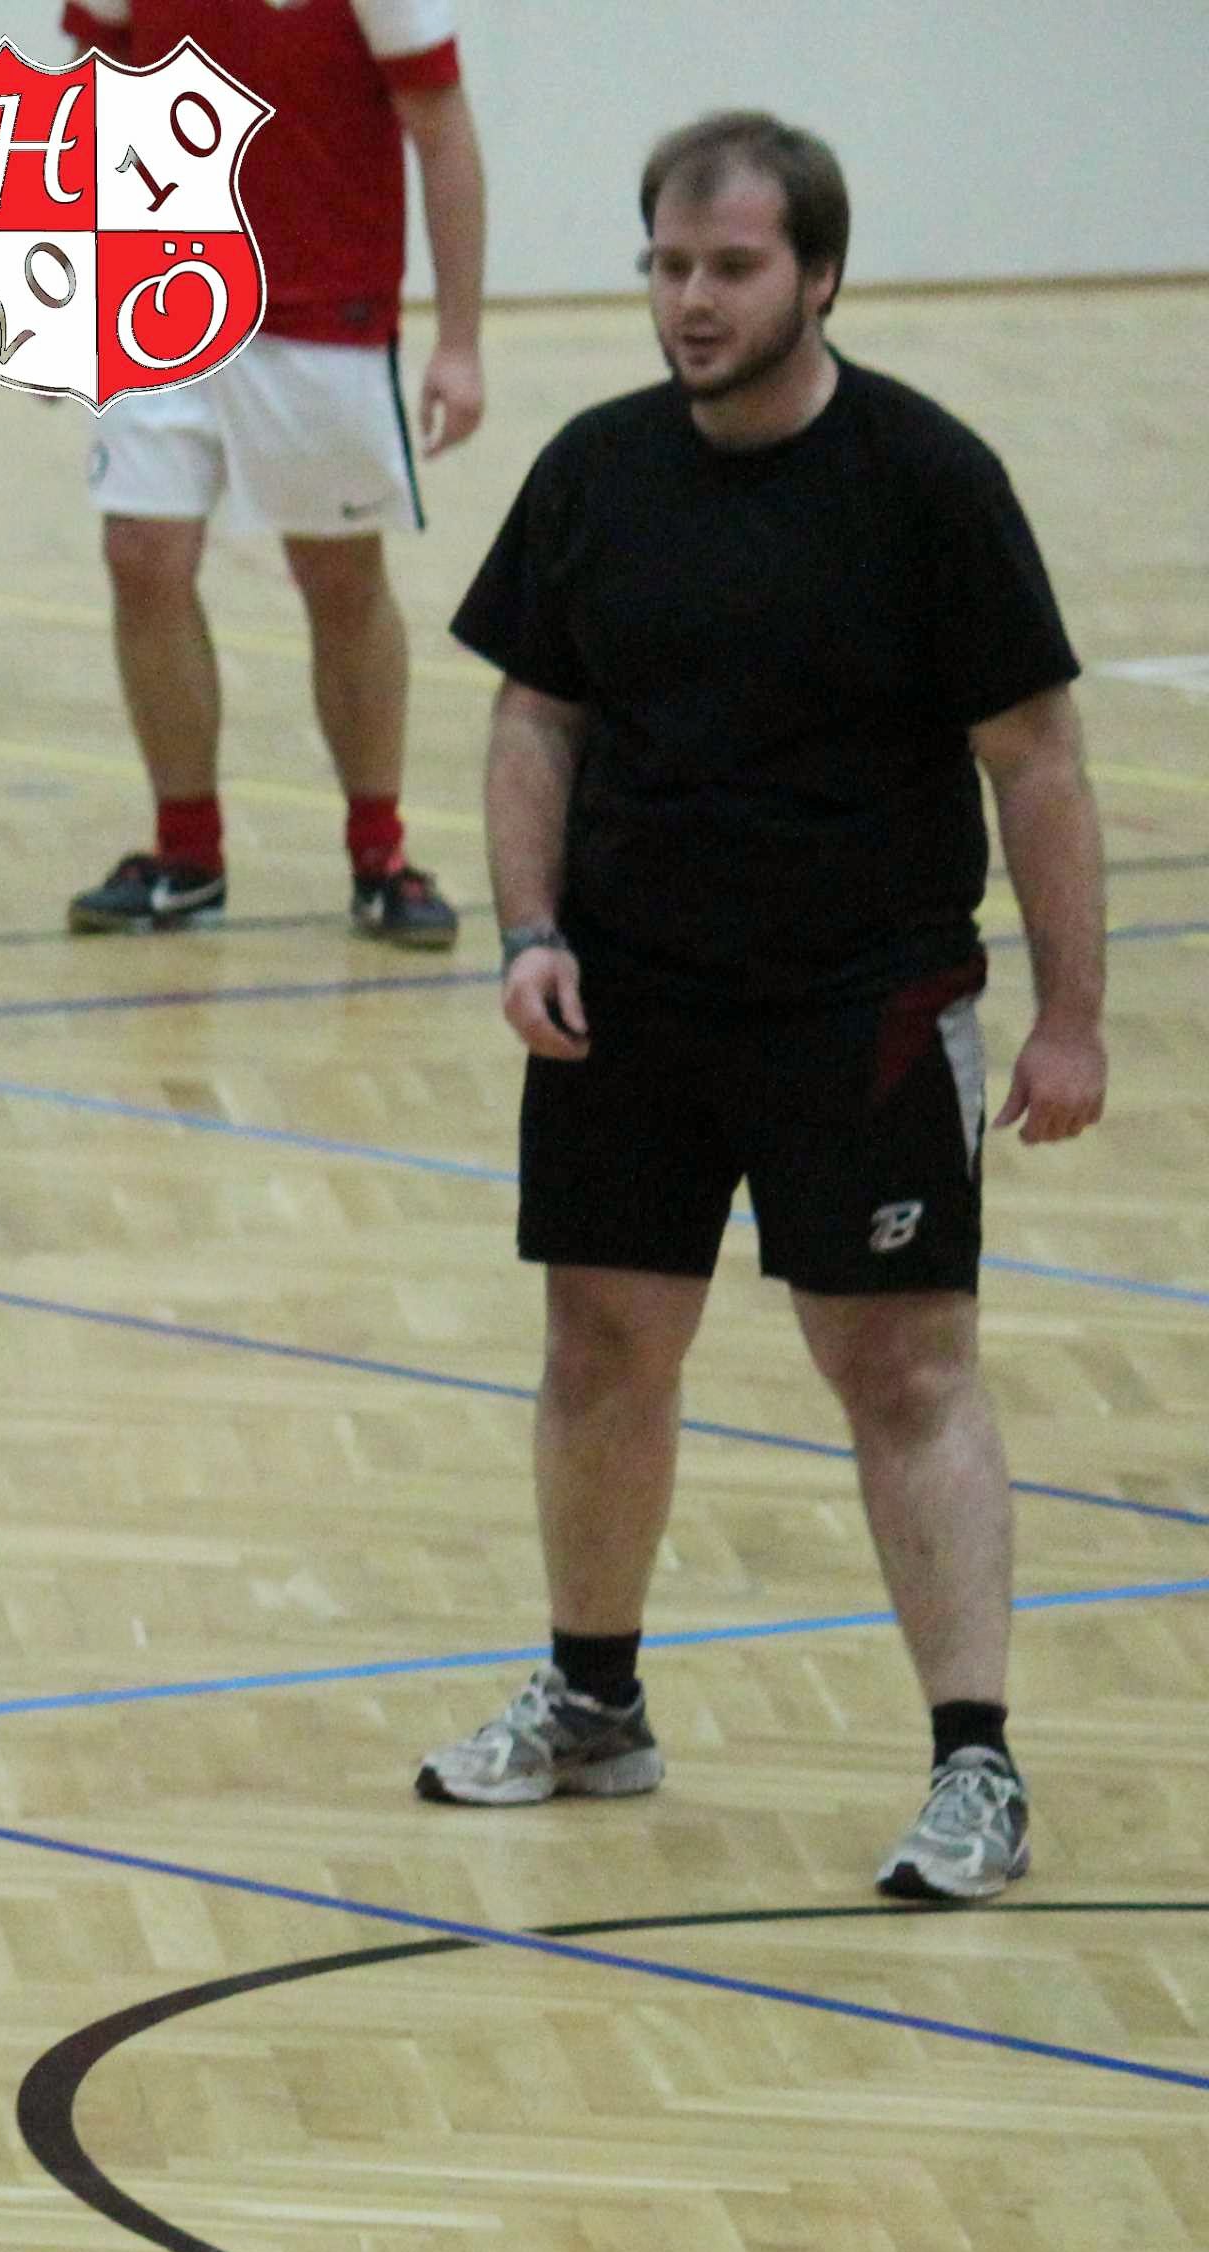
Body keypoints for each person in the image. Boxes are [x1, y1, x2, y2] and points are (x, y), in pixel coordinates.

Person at [416, 112, 1106, 1902]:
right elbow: (532, 718)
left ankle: (974, 1764)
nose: (691, 301)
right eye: (666, 266)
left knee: (902, 1369)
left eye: (730, 267)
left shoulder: (925, 481)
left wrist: (1070, 1017)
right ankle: (594, 1703)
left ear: (819, 276)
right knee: (598, 1344)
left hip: (859, 1008)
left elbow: (1033, 758)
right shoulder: (594, 471)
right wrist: (527, 928)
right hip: (628, 1003)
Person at [58, 0, 489, 947]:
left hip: (323, 312)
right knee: (141, 555)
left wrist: (459, 342)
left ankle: (379, 856)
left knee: (338, 576)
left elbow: (441, 129)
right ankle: (187, 858)